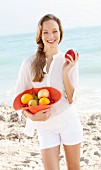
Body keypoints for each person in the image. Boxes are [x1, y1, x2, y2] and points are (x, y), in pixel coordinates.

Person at [14, 14, 83, 170]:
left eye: (54, 31)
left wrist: (66, 72)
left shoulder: (69, 61)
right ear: (40, 35)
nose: (51, 36)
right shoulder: (29, 63)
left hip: (69, 122)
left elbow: (72, 99)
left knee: (74, 167)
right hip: (45, 127)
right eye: (46, 32)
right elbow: (18, 101)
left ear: (60, 33)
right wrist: (32, 116)